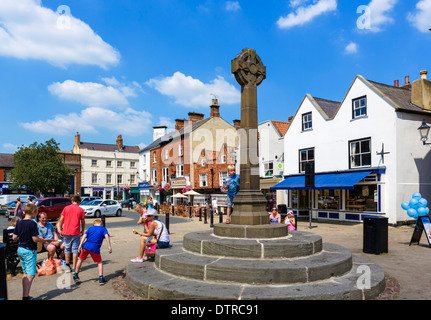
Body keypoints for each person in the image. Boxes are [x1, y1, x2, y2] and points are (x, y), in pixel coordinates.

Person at [12, 203, 52, 300]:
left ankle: (25, 295)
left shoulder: (19, 222)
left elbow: (14, 237)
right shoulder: (32, 223)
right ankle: (25, 297)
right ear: (33, 212)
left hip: (20, 249)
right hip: (29, 250)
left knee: (25, 273)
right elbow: (35, 239)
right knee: (31, 275)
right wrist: (46, 240)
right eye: (37, 212)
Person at [73, 219, 112, 285]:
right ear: (101, 224)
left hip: (86, 246)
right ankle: (101, 278)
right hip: (95, 248)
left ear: (93, 224)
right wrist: (109, 246)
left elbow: (84, 236)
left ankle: (76, 275)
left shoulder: (90, 228)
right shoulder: (103, 229)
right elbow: (106, 236)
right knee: (99, 262)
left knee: (80, 259)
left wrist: (80, 245)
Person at [56, 195, 86, 273]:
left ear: (72, 201)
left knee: (67, 249)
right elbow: (83, 221)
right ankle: (74, 267)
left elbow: (61, 220)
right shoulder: (80, 209)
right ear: (79, 202)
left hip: (66, 232)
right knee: (75, 250)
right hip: (76, 232)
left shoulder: (66, 208)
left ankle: (67, 265)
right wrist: (82, 230)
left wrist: (59, 230)